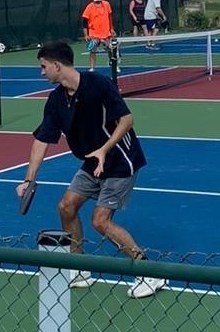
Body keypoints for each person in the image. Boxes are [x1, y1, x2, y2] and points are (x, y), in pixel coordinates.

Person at [15, 41, 165, 299]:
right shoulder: (56, 100)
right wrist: (29, 179)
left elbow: (127, 120)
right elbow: (42, 140)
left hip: (120, 161)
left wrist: (104, 149)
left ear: (57, 65)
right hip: (92, 162)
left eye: (43, 67)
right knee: (66, 206)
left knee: (100, 221)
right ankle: (80, 268)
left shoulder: (98, 84)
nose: (41, 73)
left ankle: (149, 272)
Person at [81, 0, 115, 72]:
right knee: (92, 51)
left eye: (99, 0)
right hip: (93, 34)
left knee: (110, 49)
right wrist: (86, 34)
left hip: (106, 33)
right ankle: (92, 68)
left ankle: (112, 62)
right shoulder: (89, 7)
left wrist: (111, 28)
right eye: (96, 1)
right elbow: (84, 22)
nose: (98, 2)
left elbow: (110, 17)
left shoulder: (106, 4)